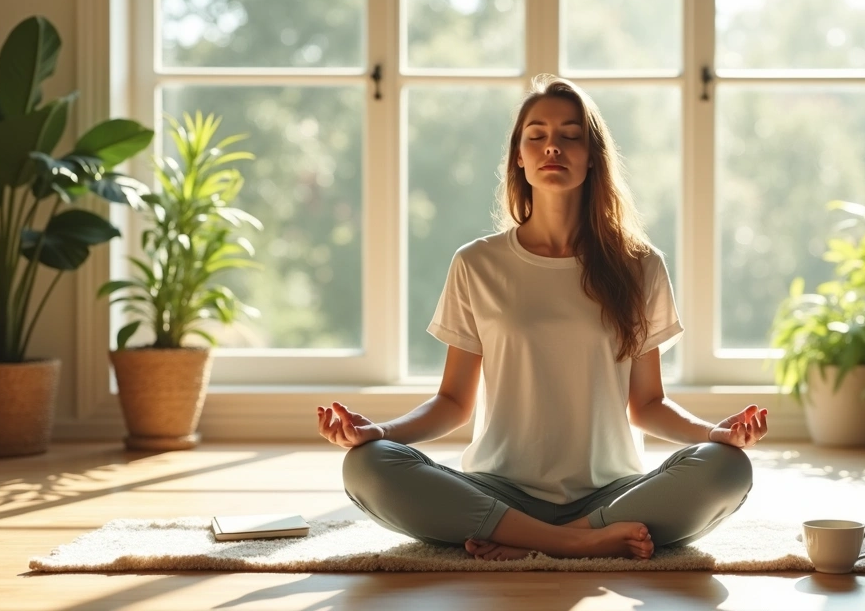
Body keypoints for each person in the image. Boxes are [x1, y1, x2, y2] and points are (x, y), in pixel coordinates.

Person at [317, 74, 767, 561]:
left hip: (611, 494)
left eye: (570, 135)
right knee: (367, 467)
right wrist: (379, 434)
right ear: (519, 155)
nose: (553, 147)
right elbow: (452, 401)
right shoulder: (477, 264)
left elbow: (648, 404)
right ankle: (572, 543)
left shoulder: (641, 266)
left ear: (592, 155)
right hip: (499, 493)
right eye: (537, 135)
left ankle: (541, 539)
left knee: (728, 468)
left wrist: (714, 435)